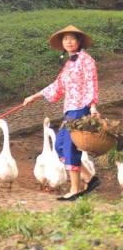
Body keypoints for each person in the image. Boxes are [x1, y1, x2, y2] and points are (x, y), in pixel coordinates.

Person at [23, 24, 100, 201]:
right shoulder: (68, 64)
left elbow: (91, 83)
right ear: (62, 43)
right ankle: (90, 178)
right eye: (66, 39)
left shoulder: (86, 60)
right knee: (59, 146)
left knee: (69, 146)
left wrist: (93, 106)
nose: (69, 42)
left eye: (72, 38)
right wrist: (35, 96)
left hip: (81, 108)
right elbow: (57, 85)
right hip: (70, 109)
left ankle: (75, 189)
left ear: (79, 41)